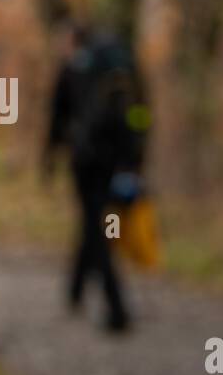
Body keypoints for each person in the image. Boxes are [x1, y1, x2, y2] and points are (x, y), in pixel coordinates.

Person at [45, 22, 147, 333]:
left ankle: (117, 308)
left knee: (96, 228)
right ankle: (75, 291)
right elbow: (141, 113)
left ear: (73, 41)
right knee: (93, 224)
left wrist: (48, 157)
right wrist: (134, 161)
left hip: (87, 163)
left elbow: (56, 116)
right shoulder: (122, 68)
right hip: (116, 163)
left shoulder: (74, 68)